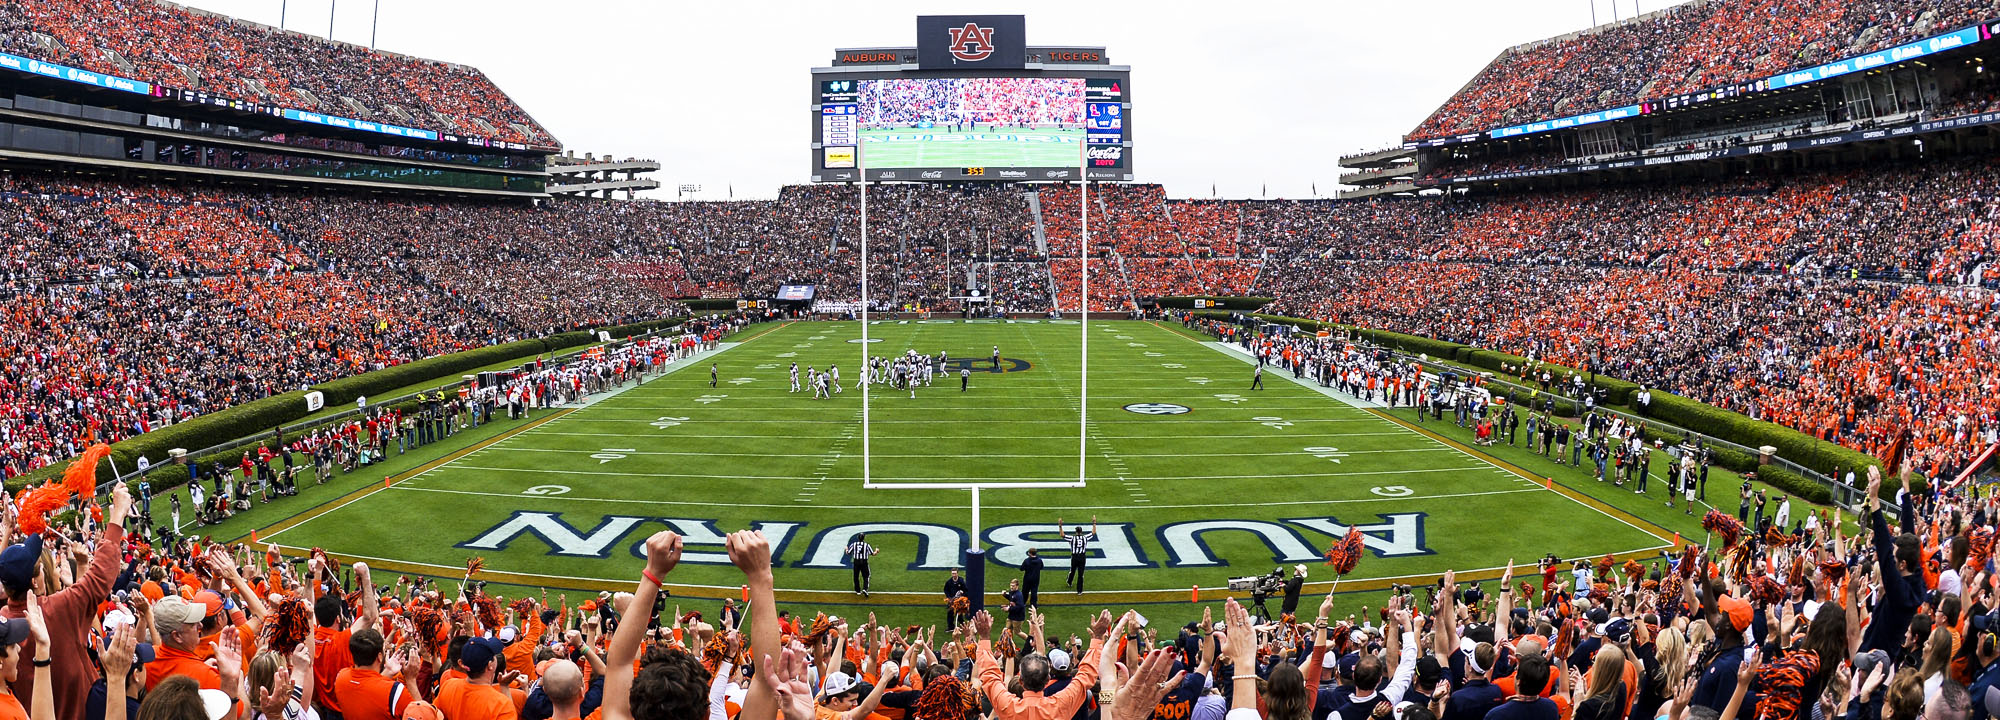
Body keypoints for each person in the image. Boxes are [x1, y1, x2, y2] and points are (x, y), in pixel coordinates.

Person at [1060, 516, 1097, 594]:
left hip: (1075, 556)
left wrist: (1060, 526)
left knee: (1072, 570)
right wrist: (1094, 523)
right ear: (1081, 531)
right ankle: (1079, 591)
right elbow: (1093, 533)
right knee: (1081, 574)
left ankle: (1069, 582)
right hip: (1082, 557)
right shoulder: (1085, 537)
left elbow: (1062, 535)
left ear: (1076, 532)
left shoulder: (1072, 538)